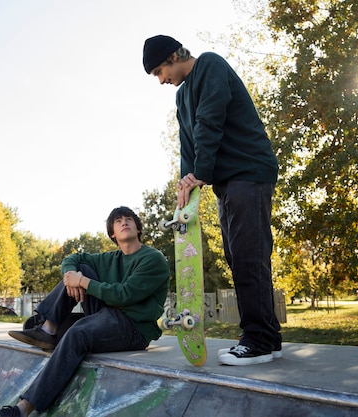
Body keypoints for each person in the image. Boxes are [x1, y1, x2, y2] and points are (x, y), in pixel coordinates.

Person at [142, 35, 282, 366]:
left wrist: (199, 173)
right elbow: (187, 147)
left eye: (161, 71)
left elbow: (209, 123)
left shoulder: (211, 66)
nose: (161, 80)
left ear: (175, 56)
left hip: (249, 173)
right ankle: (267, 338)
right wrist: (185, 185)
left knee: (249, 256)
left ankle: (258, 341)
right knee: (238, 257)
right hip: (228, 182)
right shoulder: (181, 97)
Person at [0, 206, 169, 417]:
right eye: (118, 221)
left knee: (77, 332)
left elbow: (124, 294)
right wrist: (72, 274)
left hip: (134, 327)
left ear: (138, 228)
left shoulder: (152, 258)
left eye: (129, 219)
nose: (124, 222)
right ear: (112, 234)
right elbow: (73, 258)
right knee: (77, 271)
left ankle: (22, 409)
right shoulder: (111, 258)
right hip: (107, 314)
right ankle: (49, 327)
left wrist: (81, 281)